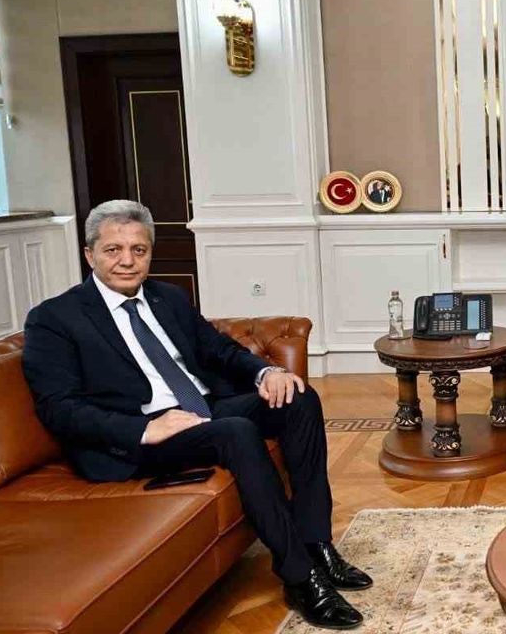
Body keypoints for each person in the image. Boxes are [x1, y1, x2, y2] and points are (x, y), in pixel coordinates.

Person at [21, 200, 371, 630]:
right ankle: (299, 577)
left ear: (150, 252)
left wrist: (267, 372)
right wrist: (145, 427)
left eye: (138, 249)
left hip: (201, 409)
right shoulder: (54, 319)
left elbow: (218, 350)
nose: (127, 261)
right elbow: (58, 407)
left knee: (299, 397)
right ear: (90, 254)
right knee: (235, 432)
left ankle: (317, 544)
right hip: (139, 434)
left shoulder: (167, 297)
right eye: (113, 250)